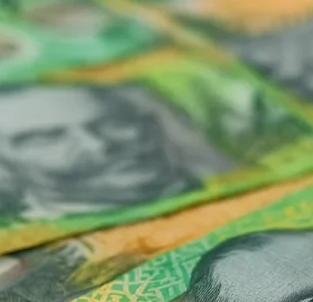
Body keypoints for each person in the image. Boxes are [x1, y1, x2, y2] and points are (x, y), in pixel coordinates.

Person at [0, 83, 221, 221]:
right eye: (47, 138)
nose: (97, 145)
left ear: (148, 122)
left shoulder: (223, 173)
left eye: (114, 122)